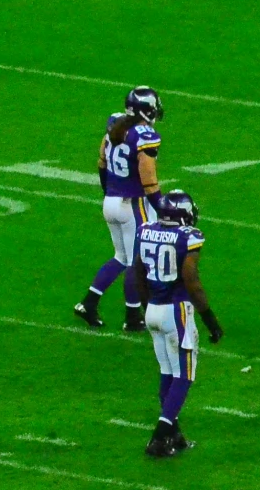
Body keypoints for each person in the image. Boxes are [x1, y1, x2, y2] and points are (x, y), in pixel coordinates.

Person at [132, 189, 221, 459]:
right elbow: (191, 279)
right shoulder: (188, 237)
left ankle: (175, 435)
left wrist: (149, 306)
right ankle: (160, 437)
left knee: (167, 372)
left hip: (154, 310)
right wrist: (211, 320)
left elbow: (138, 271)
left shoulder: (145, 230)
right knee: (183, 375)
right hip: (177, 310)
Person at [73, 87, 161, 330]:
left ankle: (89, 303)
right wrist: (161, 208)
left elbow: (102, 161)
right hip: (132, 204)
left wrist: (108, 191)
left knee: (121, 258)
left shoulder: (114, 123)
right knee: (137, 261)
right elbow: (149, 181)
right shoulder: (145, 135)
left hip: (111, 201)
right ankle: (133, 317)